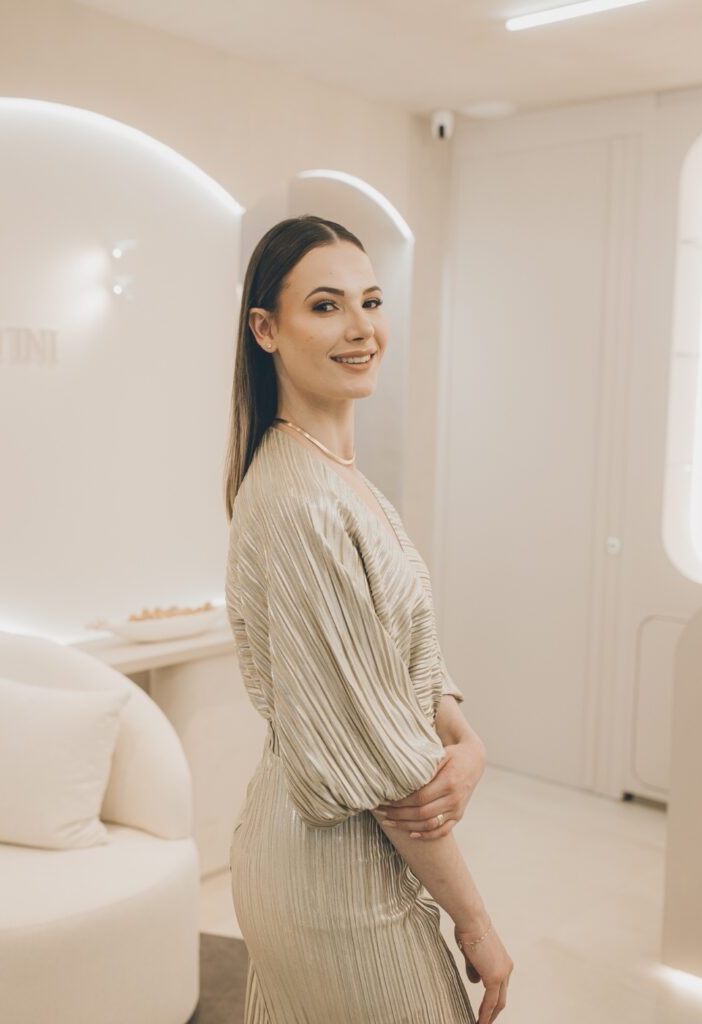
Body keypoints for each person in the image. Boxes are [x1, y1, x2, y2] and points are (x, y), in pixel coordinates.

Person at [223, 214, 514, 1023]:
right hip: (334, 876)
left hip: (330, 856)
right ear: (265, 329)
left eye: (372, 301)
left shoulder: (342, 478)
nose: (362, 328)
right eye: (326, 306)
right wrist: (476, 923)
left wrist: (464, 737)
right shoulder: (302, 504)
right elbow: (386, 767)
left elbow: (402, 651)